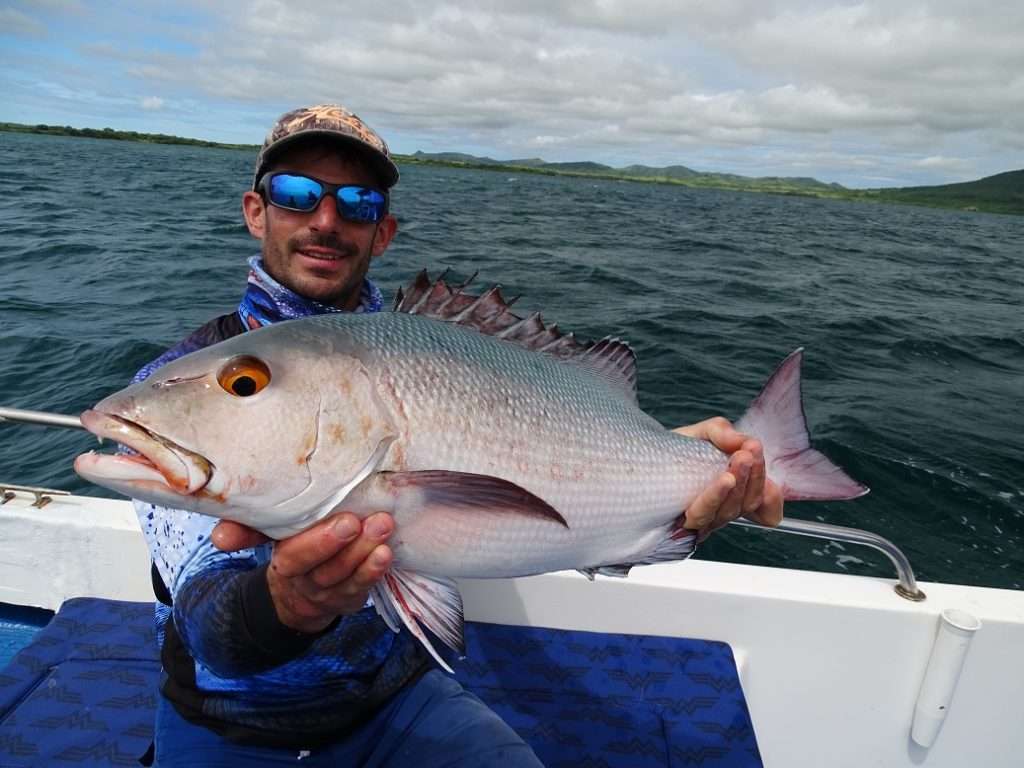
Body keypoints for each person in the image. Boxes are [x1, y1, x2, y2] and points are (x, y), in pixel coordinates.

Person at [133, 104, 784, 767]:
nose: (325, 220)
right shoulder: (172, 386)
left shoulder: (431, 345)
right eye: (296, 193)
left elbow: (558, 468)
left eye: (357, 203)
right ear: (256, 210)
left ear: (383, 231)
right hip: (228, 724)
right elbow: (207, 618)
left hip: (393, 701)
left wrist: (686, 475)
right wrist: (285, 605)